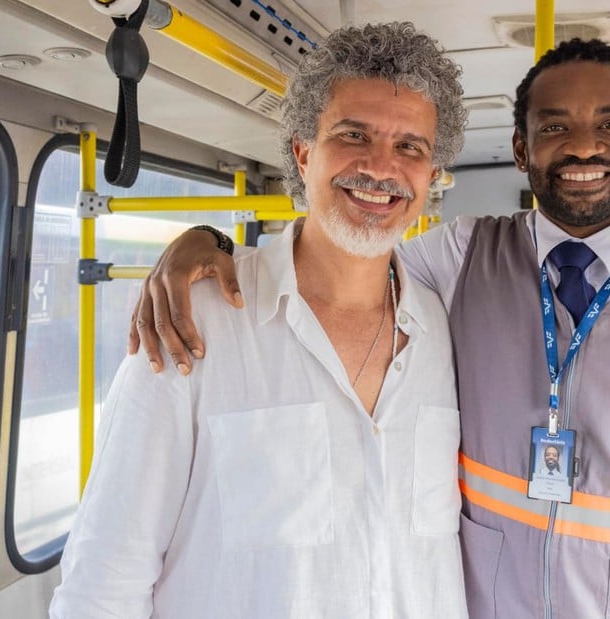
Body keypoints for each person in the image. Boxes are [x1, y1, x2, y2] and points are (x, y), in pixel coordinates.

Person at [130, 38, 610, 619]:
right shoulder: (459, 260)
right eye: (553, 127)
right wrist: (211, 243)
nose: (583, 145)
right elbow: (348, 248)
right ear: (520, 148)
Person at [50, 22, 468, 618]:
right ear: (303, 152)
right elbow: (104, 580)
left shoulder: (444, 326)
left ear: (431, 175)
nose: (381, 168)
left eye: (410, 147)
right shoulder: (195, 321)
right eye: (354, 135)